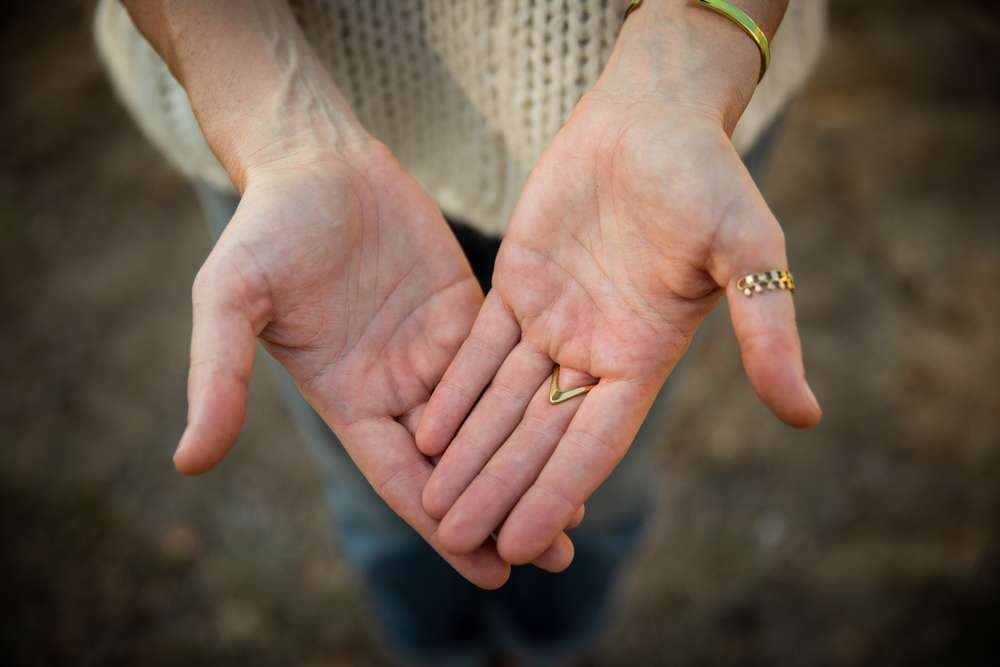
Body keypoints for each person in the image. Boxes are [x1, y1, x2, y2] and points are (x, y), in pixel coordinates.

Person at [96, 1, 825, 664]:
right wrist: (277, 128)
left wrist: (685, 68)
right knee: (389, 495)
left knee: (596, 490)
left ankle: (556, 645)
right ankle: (433, 650)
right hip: (292, 161)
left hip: (659, 148)